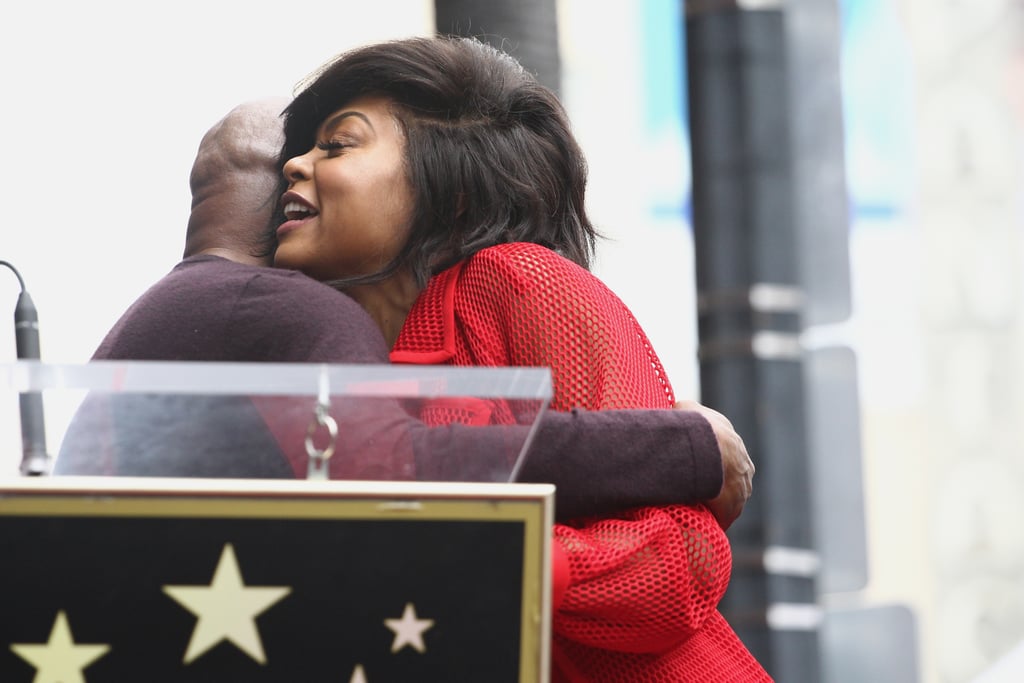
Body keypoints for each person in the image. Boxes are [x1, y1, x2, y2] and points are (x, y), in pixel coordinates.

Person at [273, 36, 769, 681]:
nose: (296, 165)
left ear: (451, 191)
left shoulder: (519, 280)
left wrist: (492, 564)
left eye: (337, 144)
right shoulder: (326, 351)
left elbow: (675, 560)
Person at [55, 97, 754, 528]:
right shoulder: (289, 308)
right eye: (310, 147)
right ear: (277, 202)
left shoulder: (160, 312)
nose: (304, 163)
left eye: (332, 146)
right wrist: (684, 444)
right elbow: (401, 469)